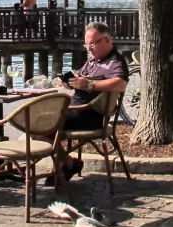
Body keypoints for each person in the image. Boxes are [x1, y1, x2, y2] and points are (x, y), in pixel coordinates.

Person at [51, 21, 128, 182]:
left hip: (89, 114)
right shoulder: (93, 60)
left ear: (107, 40)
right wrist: (69, 82)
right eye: (86, 45)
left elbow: (120, 83)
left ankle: (66, 164)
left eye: (93, 44)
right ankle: (66, 163)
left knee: (40, 126)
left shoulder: (115, 61)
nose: (89, 49)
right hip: (74, 108)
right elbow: (80, 76)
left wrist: (90, 85)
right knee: (38, 122)